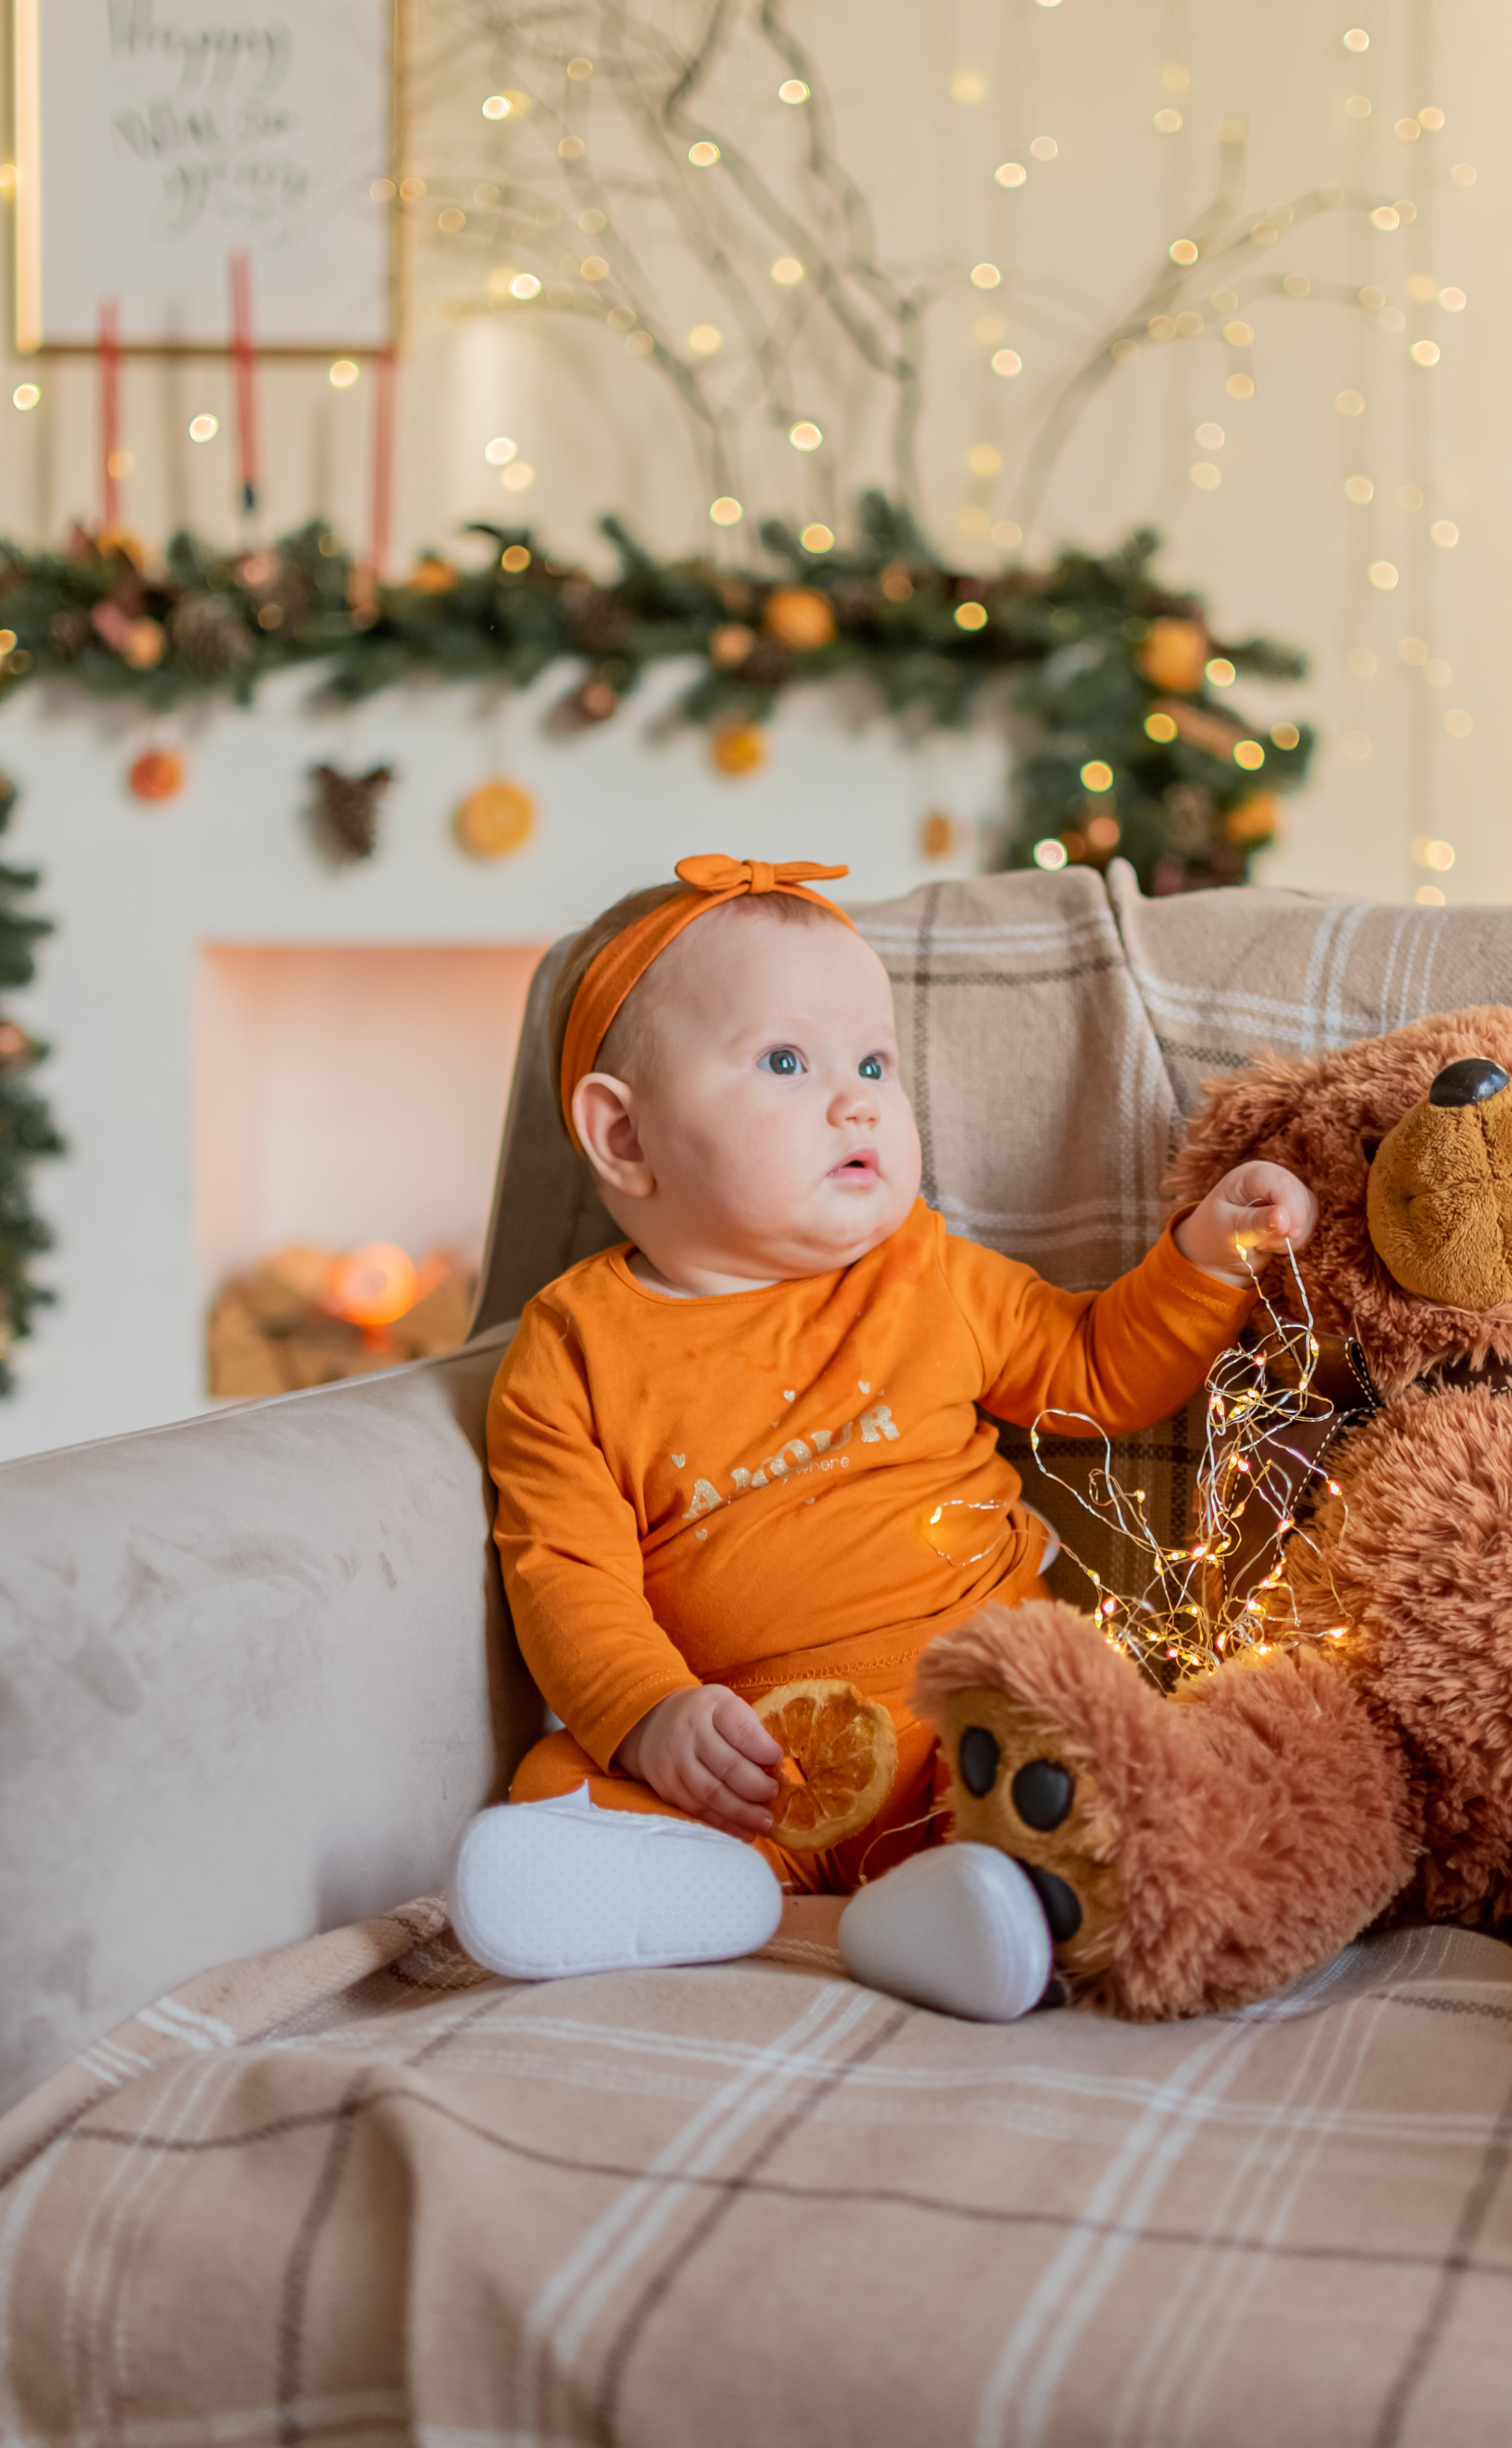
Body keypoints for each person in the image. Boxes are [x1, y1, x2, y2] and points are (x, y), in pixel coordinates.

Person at [449, 853, 1317, 2018]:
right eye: (786, 1062)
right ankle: (701, 1893)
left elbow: (1095, 1372)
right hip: (741, 1762)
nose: (857, 1100)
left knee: (1067, 1769)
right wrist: (652, 1718)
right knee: (565, 1787)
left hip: (963, 1717)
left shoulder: (926, 1274)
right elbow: (565, 1572)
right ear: (624, 1137)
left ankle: (972, 1910)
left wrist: (1203, 1262)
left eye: (874, 1064)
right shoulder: (577, 1344)